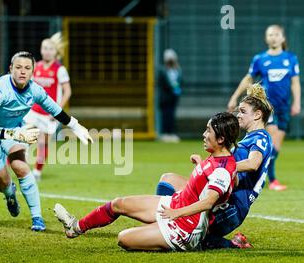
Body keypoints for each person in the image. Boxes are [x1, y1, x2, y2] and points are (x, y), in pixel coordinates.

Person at [54, 112, 239, 252]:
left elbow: (208, 202)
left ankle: (177, 238)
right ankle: (75, 227)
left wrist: (176, 213)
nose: (204, 134)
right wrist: (200, 164)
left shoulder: (223, 169)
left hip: (185, 229)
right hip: (174, 204)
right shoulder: (216, 158)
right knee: (119, 203)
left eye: (209, 131)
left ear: (221, 139)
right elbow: (212, 183)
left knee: (123, 239)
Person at [0, 51, 93, 232]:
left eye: (27, 68)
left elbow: (55, 109)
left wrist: (75, 126)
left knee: (21, 166)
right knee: (3, 183)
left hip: (15, 130)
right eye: (18, 67)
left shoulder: (35, 90)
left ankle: (37, 218)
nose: (23, 72)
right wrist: (17, 135)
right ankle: (9, 194)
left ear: (33, 72)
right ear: (10, 69)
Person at [156, 84, 273, 249]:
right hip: (224, 198)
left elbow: (253, 164)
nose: (238, 115)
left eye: (243, 111)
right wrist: (205, 167)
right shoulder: (249, 139)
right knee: (168, 180)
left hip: (232, 208)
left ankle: (233, 245)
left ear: (258, 115)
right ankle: (162, 222)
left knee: (199, 239)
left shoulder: (261, 137)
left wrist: (221, 169)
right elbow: (231, 176)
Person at [227, 24, 301, 191]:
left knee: (276, 147)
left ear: (282, 38)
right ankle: (271, 179)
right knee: (271, 139)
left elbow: (295, 82)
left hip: (284, 107)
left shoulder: (291, 58)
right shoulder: (260, 59)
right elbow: (248, 79)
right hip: (269, 107)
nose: (273, 37)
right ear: (266, 38)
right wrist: (234, 97)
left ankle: (261, 173)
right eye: (270, 34)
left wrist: (297, 102)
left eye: (276, 34)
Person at [24, 33, 71, 181]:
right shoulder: (35, 67)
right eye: (44, 48)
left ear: (55, 52)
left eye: (50, 48)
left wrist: (57, 111)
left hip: (49, 114)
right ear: (40, 50)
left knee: (42, 142)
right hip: (33, 111)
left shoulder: (60, 69)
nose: (47, 51)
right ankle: (9, 167)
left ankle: (37, 172)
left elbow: (68, 92)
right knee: (21, 138)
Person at [157, 48, 182, 143]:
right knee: (165, 115)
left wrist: (176, 89)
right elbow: (163, 83)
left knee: (171, 115)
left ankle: (171, 133)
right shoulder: (163, 70)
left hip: (173, 97)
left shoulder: (178, 70)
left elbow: (179, 81)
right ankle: (165, 133)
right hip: (165, 97)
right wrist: (172, 87)